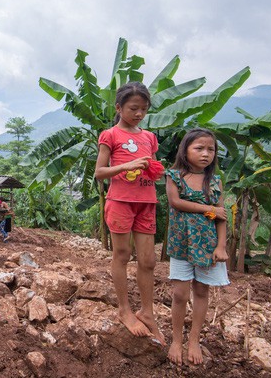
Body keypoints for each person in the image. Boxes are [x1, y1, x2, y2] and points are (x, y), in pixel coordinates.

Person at [94, 81, 165, 345]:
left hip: (146, 201)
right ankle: (124, 310)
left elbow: (152, 166)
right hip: (120, 201)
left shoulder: (149, 137)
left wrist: (154, 169)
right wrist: (128, 165)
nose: (139, 114)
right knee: (122, 255)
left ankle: (147, 312)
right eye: (134, 108)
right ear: (119, 107)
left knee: (148, 261)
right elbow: (99, 172)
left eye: (144, 109)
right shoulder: (110, 135)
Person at [166, 128, 229, 365]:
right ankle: (175, 339)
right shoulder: (174, 176)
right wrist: (208, 209)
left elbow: (222, 216)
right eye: (199, 148)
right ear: (185, 150)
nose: (205, 154)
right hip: (181, 244)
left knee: (202, 291)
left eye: (210, 149)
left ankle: (193, 340)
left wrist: (221, 246)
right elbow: (176, 202)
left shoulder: (214, 181)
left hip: (208, 246)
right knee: (180, 293)